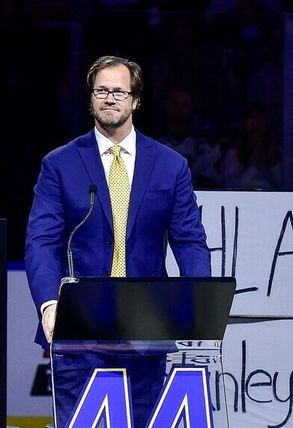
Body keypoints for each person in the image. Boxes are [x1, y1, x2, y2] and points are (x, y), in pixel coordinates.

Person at [24, 55, 212, 427]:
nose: (109, 99)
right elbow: (41, 241)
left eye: (119, 92)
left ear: (136, 99)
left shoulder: (170, 166)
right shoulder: (59, 164)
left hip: (147, 330)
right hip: (80, 331)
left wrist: (198, 301)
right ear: (91, 97)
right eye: (101, 91)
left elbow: (190, 241)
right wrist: (48, 304)